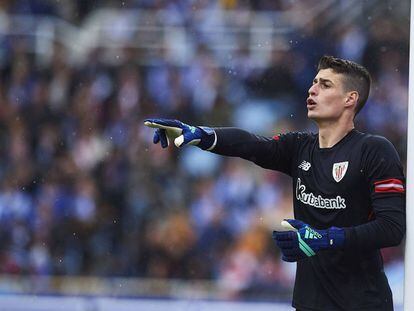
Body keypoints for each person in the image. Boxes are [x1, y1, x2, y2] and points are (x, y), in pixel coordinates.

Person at [144, 55, 405, 310]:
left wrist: (327, 239)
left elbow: (392, 228)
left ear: (350, 99)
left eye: (325, 85)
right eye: (314, 82)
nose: (312, 90)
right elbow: (252, 145)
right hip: (309, 303)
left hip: (362, 304)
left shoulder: (374, 150)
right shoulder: (299, 147)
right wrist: (200, 134)